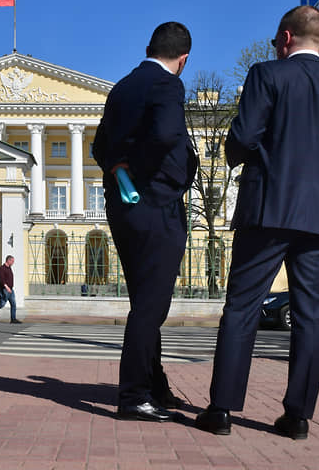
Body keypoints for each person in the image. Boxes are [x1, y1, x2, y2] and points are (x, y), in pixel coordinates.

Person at [194, 6, 319, 439]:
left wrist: (249, 156)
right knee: (312, 317)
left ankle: (221, 410)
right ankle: (297, 418)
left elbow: (241, 138)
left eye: (278, 40)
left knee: (242, 307)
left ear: (286, 38)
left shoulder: (268, 75)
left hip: (268, 210)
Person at [92, 22, 198, 422]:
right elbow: (168, 135)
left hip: (122, 208)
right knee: (152, 306)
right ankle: (135, 395)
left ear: (148, 47)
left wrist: (119, 167)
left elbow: (99, 146)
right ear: (183, 59)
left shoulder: (121, 87)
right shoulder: (168, 85)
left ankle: (154, 385)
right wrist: (144, 171)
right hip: (157, 205)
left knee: (144, 301)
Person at [0, 255, 21, 324]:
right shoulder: (2, 268)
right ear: (8, 260)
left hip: (11, 290)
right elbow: (1, 280)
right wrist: (7, 287)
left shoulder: (9, 268)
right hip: (4, 290)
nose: (13, 263)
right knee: (2, 304)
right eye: (12, 261)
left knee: (13, 304)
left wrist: (10, 288)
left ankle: (13, 319)